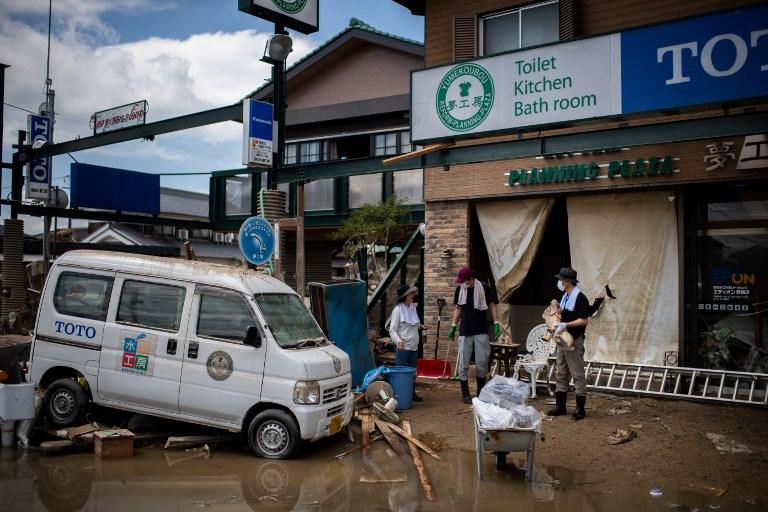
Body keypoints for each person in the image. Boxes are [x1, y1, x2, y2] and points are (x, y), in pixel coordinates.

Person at [447, 267, 501, 404]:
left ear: (471, 279)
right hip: (465, 330)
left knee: (481, 362)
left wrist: (496, 321)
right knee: (463, 363)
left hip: (481, 329)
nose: (463, 284)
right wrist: (453, 325)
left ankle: (480, 393)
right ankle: (465, 394)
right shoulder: (460, 289)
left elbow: (492, 304)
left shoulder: (483, 287)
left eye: (465, 281)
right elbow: (458, 307)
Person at [548, 267, 590, 420]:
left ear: (567, 281)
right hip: (563, 339)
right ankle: (560, 406)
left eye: (561, 279)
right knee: (561, 373)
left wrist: (566, 324)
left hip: (574, 340)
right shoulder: (565, 295)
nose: (559, 281)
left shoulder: (580, 298)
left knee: (577, 373)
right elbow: (565, 313)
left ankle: (580, 409)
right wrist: (558, 313)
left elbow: (584, 320)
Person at [388, 284, 424, 402]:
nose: (413, 295)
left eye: (413, 293)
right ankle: (400, 396)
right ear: (404, 296)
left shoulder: (413, 308)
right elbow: (392, 329)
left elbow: (413, 323)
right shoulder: (397, 310)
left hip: (414, 345)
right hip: (403, 346)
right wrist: (398, 341)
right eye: (410, 294)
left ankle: (411, 393)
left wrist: (420, 326)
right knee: (401, 372)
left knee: (412, 371)